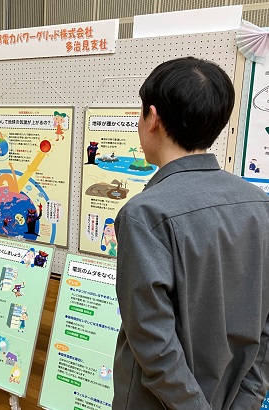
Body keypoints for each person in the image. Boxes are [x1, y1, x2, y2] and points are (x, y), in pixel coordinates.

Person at [113, 57, 269, 409]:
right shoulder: (261, 206)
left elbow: (154, 345)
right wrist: (247, 400)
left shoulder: (144, 214)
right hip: (233, 398)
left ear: (152, 118)